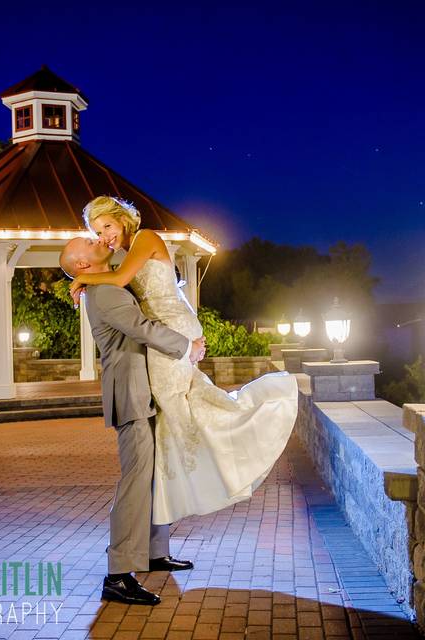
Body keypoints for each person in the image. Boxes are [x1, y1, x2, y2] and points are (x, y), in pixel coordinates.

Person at [69, 196, 299, 526]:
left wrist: (81, 279)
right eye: (96, 231)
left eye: (107, 226)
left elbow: (119, 283)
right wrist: (88, 278)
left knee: (177, 419)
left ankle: (222, 468)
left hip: (173, 332)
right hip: (171, 332)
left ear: (122, 219)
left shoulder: (145, 238)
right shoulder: (126, 255)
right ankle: (167, 516)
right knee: (179, 415)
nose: (104, 235)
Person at [59, 236, 206, 606]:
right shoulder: (104, 295)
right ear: (81, 264)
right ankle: (119, 573)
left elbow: (131, 262)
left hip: (146, 389)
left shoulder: (107, 283)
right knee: (136, 482)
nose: (99, 240)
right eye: (90, 242)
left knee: (153, 475)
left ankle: (155, 552)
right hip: (131, 393)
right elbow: (141, 328)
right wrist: (186, 347)